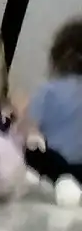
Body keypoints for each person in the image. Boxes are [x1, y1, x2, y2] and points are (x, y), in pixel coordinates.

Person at [23, 16, 82, 204]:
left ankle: (55, 181)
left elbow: (30, 131)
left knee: (33, 151)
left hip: (53, 165)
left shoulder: (48, 90)